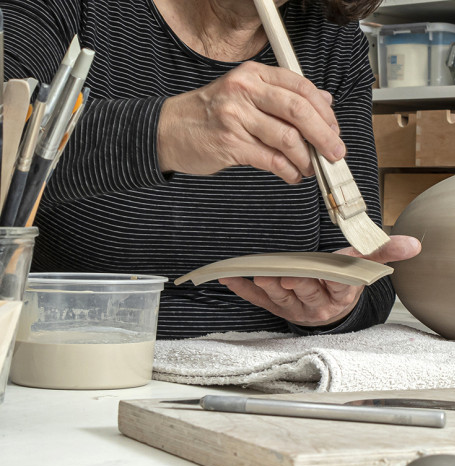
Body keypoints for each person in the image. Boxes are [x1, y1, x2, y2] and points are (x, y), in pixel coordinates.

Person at [1, 0, 420, 338]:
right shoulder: (67, 9)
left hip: (266, 381)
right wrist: (165, 131)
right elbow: (7, 147)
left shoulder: (329, 37)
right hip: (69, 369)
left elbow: (366, 276)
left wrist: (333, 308)